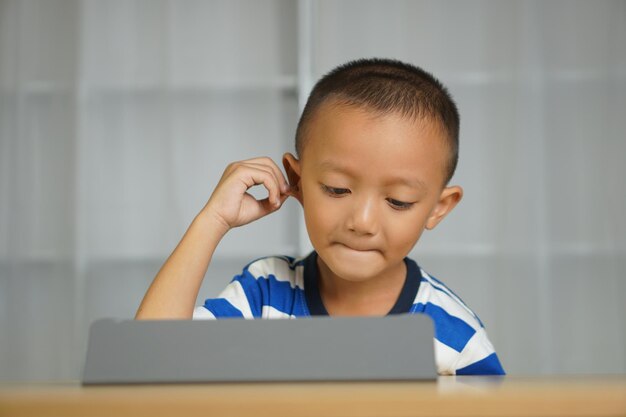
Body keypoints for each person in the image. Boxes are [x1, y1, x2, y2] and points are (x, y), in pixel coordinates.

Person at [136, 58, 505, 375]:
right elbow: (148, 366)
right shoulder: (264, 295)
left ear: (438, 208)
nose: (362, 221)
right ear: (296, 180)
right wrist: (211, 221)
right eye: (336, 189)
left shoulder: (457, 340)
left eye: (397, 200)